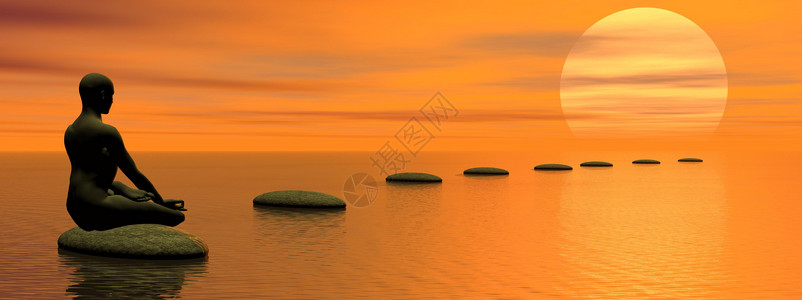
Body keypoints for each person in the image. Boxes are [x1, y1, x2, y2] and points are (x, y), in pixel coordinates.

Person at [64, 73, 186, 231]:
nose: (113, 101)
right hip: (95, 208)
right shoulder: (106, 132)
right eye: (111, 95)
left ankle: (120, 197)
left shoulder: (71, 130)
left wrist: (122, 188)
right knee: (176, 216)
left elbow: (90, 174)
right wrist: (160, 201)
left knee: (120, 189)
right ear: (102, 95)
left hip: (74, 206)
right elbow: (133, 173)